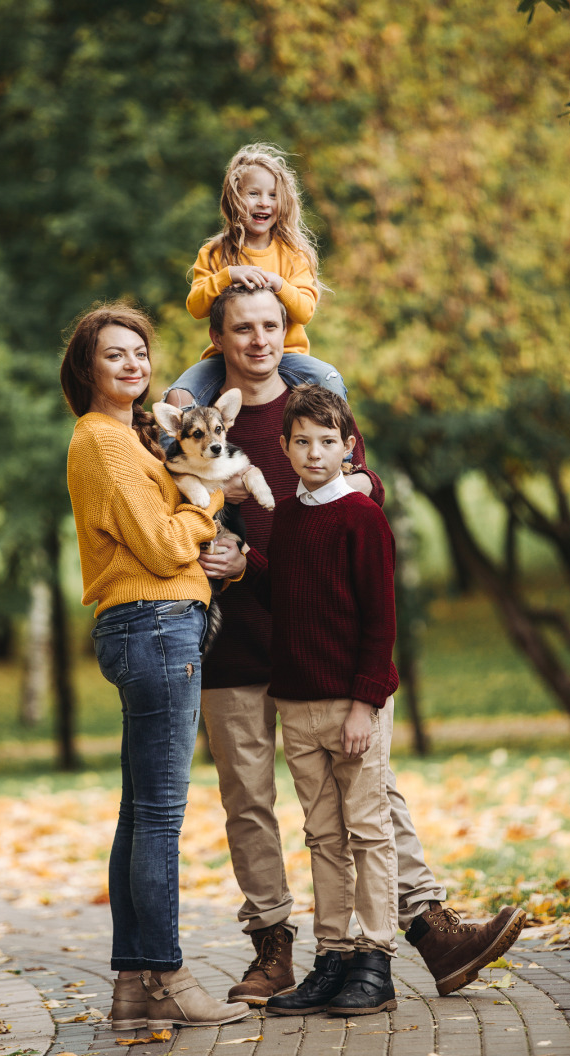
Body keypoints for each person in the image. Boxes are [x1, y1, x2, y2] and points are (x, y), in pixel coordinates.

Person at [167, 284, 526, 1004]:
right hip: (239, 639)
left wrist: (351, 483)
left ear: (286, 331)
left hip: (323, 645)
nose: (258, 340)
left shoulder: (311, 411)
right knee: (253, 802)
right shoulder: (197, 422)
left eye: (271, 325)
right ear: (220, 339)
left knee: (369, 792)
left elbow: (367, 493)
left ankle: (424, 929)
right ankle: (277, 949)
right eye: (242, 328)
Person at [60, 300, 250, 1031]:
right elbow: (164, 544)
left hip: (150, 625)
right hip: (154, 624)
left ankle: (134, 988)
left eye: (140, 351)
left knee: (140, 813)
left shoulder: (129, 439)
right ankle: (168, 974)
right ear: (87, 367)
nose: (134, 364)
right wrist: (212, 505)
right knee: (160, 817)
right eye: (115, 354)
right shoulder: (105, 443)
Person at [245, 384, 400, 1016]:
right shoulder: (287, 515)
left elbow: (380, 620)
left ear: (349, 448)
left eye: (327, 442)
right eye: (301, 442)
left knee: (367, 829)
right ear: (283, 447)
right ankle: (333, 956)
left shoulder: (362, 518)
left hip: (349, 705)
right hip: (297, 703)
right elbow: (283, 591)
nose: (314, 453)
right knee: (322, 835)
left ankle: (375, 959)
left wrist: (365, 703)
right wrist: (242, 564)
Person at [169, 142, 346, 407]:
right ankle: (167, 449)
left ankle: (343, 449)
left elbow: (304, 312)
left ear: (283, 202)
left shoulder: (293, 254)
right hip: (224, 357)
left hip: (287, 355)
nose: (264, 202)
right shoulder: (215, 253)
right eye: (253, 193)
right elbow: (195, 307)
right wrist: (226, 276)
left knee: (329, 379)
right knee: (180, 394)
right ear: (234, 199)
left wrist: (279, 285)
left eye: (273, 195)